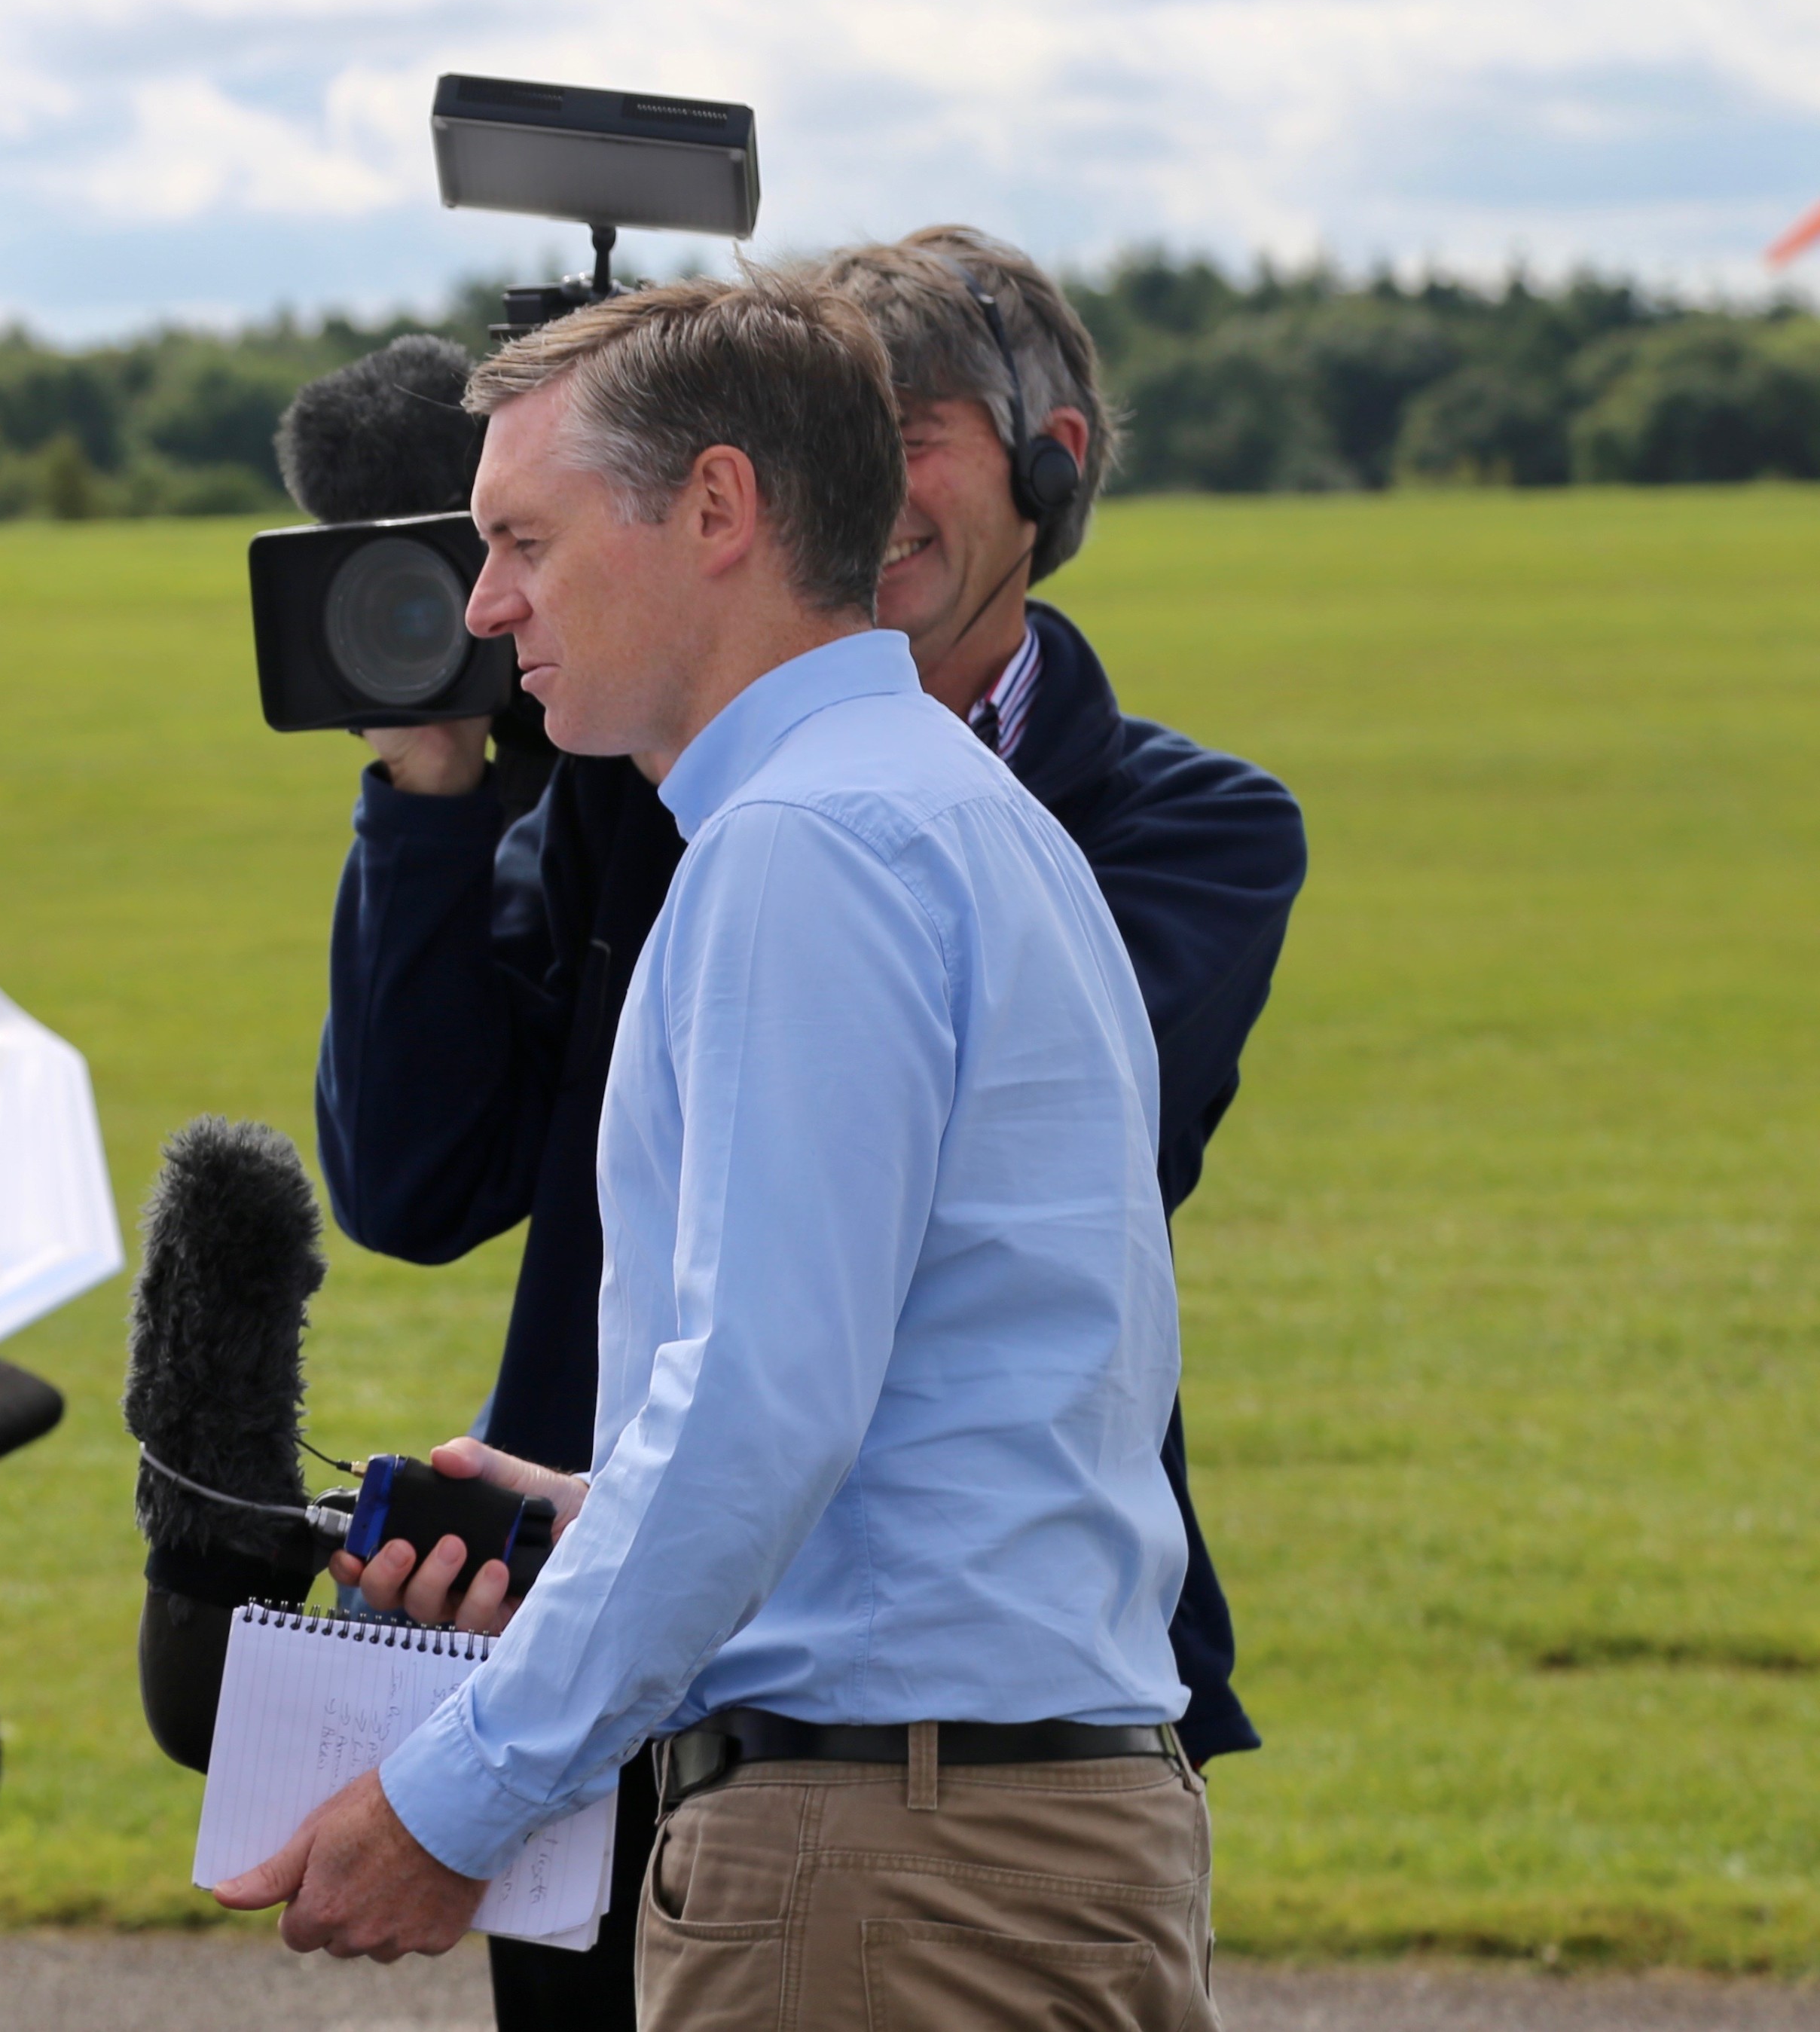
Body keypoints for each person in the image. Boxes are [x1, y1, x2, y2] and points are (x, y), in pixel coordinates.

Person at [312, 231, 1301, 2027]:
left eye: (524, 540)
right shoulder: (947, 810)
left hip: (881, 1863)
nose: (482, 607)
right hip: (992, 1828)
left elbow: (760, 1404)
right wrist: (594, 1511)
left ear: (715, 507)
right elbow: (921, 1403)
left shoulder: (804, 845)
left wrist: (453, 1796)